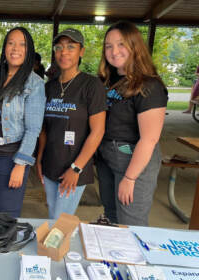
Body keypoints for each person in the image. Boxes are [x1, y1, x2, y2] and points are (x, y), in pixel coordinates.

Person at [96, 21, 168, 226]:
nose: (114, 51)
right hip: (107, 156)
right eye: (108, 46)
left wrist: (130, 178)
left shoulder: (149, 85)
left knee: (131, 222)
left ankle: (131, 259)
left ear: (135, 46)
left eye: (121, 44)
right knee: (111, 215)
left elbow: (149, 139)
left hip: (133, 160)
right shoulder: (109, 80)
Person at [36, 28, 107, 219]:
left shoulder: (91, 85)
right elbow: (44, 129)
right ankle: (59, 249)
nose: (64, 52)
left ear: (81, 51)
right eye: (59, 47)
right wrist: (40, 158)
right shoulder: (49, 87)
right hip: (51, 164)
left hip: (74, 168)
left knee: (60, 220)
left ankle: (59, 249)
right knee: (54, 214)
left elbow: (98, 131)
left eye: (70, 47)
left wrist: (76, 168)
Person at [0, 27, 46, 217]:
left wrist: (21, 165)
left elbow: (33, 130)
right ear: (5, 47)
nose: (15, 48)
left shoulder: (34, 84)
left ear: (29, 50)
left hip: (10, 160)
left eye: (22, 44)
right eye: (11, 42)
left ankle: (6, 248)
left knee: (7, 218)